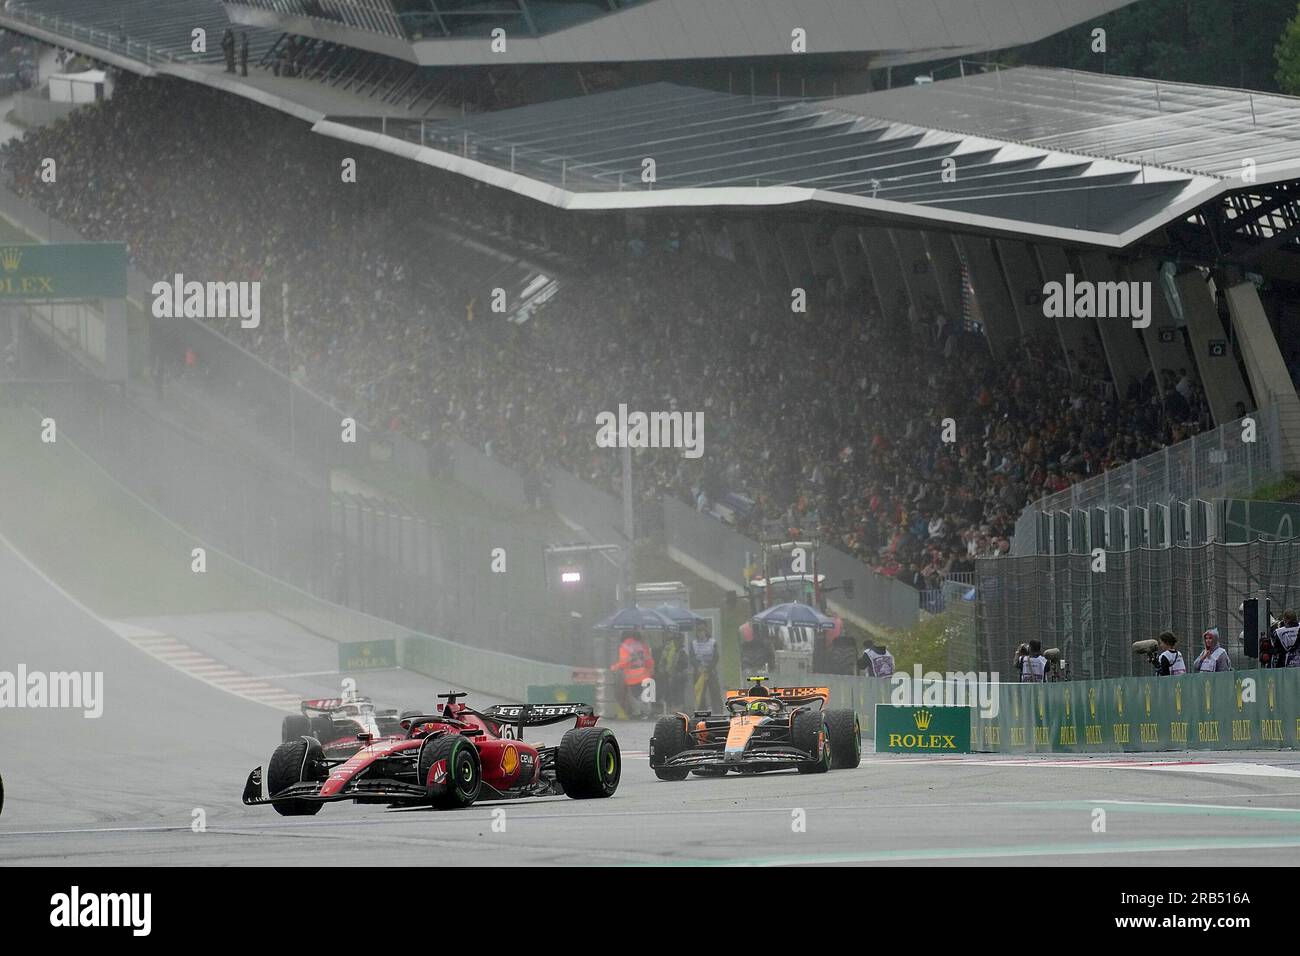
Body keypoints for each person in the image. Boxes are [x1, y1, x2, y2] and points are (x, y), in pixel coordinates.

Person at [609, 631, 653, 719]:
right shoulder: (642, 645)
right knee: (644, 693)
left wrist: (614, 667)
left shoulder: (624, 646)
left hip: (633, 676)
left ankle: (639, 713)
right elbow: (649, 660)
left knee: (636, 695)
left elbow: (624, 662)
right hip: (644, 673)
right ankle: (647, 713)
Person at [691, 625, 722, 713]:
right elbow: (692, 657)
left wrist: (708, 668)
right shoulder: (693, 643)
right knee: (700, 693)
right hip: (699, 672)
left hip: (710, 671)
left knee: (715, 691)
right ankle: (702, 711)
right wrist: (698, 667)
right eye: (699, 632)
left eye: (702, 631)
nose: (701, 633)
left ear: (706, 632)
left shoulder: (712, 642)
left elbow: (716, 657)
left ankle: (718, 711)